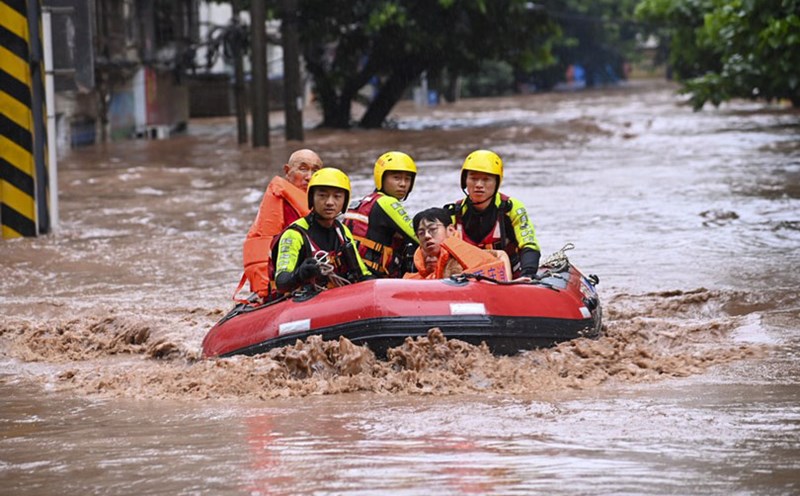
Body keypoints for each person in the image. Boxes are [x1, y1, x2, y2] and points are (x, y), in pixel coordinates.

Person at [238, 149, 323, 300]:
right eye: (303, 169)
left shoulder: (322, 205)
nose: (309, 177)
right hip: (283, 282)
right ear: (287, 171)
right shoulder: (282, 205)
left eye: (315, 171)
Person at [272, 168, 372, 294]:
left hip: (336, 298)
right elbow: (281, 282)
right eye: (322, 195)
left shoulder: (342, 231)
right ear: (311, 198)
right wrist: (300, 274)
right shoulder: (294, 234)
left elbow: (363, 273)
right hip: (302, 303)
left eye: (337, 196)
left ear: (345, 201)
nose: (330, 202)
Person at [445, 150, 541, 280]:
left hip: (510, 276)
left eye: (486, 179)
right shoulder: (453, 213)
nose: (479, 185)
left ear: (496, 183)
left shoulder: (511, 208)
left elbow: (529, 244)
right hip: (465, 279)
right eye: (473, 178)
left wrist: (528, 274)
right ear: (465, 181)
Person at [343, 151, 419, 277]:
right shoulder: (387, 203)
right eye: (396, 178)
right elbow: (418, 237)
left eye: (408, 179)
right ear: (381, 178)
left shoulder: (365, 202)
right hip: (374, 278)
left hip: (352, 274)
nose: (403, 184)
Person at [404, 207, 511, 281]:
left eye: (433, 229)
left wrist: (507, 283)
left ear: (450, 230)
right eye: (421, 233)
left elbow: (500, 255)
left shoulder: (463, 255)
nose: (427, 236)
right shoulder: (420, 266)